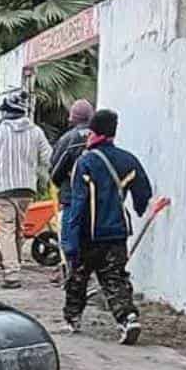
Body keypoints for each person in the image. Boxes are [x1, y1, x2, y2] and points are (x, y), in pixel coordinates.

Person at [60, 107, 153, 344]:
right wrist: (141, 208)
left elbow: (78, 203)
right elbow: (143, 192)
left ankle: (72, 319)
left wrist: (70, 240)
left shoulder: (86, 162)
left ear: (94, 133)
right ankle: (128, 318)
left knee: (78, 278)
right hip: (117, 233)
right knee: (116, 279)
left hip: (88, 235)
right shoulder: (128, 160)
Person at [0, 89, 52, 288]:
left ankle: (12, 274)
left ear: (6, 112)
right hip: (26, 190)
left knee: (6, 229)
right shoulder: (36, 132)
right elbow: (49, 158)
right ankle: (15, 264)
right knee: (19, 228)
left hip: (3, 190)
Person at [48, 99, 94, 285]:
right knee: (90, 237)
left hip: (71, 196)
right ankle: (88, 273)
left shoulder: (68, 139)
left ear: (72, 118)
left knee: (70, 236)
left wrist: (61, 185)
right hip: (95, 200)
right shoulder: (98, 136)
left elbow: (55, 169)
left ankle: (73, 274)